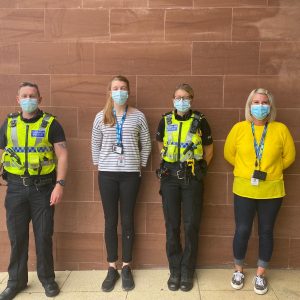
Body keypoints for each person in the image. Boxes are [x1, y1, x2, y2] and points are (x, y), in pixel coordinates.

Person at [224, 88, 296, 295]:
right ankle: (238, 270)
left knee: (266, 232)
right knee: (242, 230)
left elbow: (289, 156)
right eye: (256, 102)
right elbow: (229, 153)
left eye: (264, 102)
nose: (260, 106)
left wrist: (272, 170)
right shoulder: (239, 128)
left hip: (272, 191)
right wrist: (246, 170)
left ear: (270, 106)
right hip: (244, 189)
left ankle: (260, 274)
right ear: (249, 106)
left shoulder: (280, 129)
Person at [0, 82, 68, 300]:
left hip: (43, 189)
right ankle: (16, 281)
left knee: (43, 235)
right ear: (18, 99)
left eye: (33, 95)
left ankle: (47, 279)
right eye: (24, 95)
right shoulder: (9, 123)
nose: (29, 99)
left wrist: (60, 184)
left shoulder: (51, 124)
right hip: (16, 188)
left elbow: (63, 155)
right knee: (17, 237)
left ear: (40, 99)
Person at [91, 75, 151, 292]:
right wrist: (101, 164)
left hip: (130, 175)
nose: (119, 91)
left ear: (128, 91)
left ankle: (126, 266)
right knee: (110, 220)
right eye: (115, 88)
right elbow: (95, 144)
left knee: (127, 220)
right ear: (109, 92)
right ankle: (111, 267)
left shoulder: (138, 116)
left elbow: (146, 142)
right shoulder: (101, 117)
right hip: (107, 175)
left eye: (123, 88)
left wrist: (139, 164)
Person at [156, 83, 213, 292]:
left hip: (192, 178)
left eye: (186, 97)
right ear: (173, 98)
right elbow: (161, 143)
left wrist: (199, 171)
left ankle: (188, 270)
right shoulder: (165, 120)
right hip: (169, 177)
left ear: (192, 99)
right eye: (178, 97)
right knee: (171, 225)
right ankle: (175, 270)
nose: (181, 101)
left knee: (190, 225)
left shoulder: (201, 121)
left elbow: (208, 149)